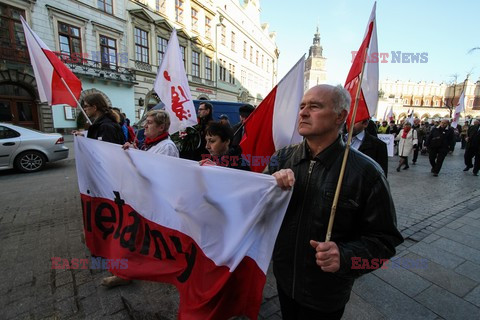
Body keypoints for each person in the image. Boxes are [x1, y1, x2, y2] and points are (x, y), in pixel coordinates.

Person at [265, 84, 403, 319]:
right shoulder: (282, 158)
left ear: (340, 116)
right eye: (302, 106)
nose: (303, 112)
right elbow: (258, 211)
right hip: (285, 280)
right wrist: (268, 187)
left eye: (314, 106)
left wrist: (347, 256)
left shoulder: (367, 173)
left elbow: (385, 242)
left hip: (326, 296)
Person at [103, 110, 179, 288]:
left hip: (152, 205)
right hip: (141, 201)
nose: (145, 125)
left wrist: (135, 160)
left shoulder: (166, 147)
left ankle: (125, 273)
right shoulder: (151, 143)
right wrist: (134, 152)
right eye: (146, 121)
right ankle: (125, 271)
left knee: (132, 238)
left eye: (150, 122)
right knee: (131, 238)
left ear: (161, 127)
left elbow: (159, 178)